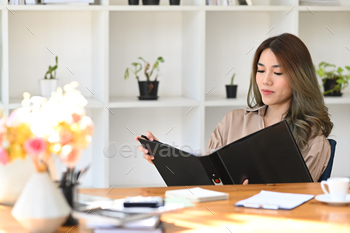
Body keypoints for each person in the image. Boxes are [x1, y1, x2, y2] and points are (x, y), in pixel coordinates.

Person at [136, 33, 333, 183]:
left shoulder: (314, 141)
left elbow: (297, 201)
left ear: (300, 78)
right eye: (261, 70)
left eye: (278, 72)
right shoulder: (232, 121)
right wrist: (167, 162)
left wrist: (247, 193)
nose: (265, 80)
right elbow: (209, 180)